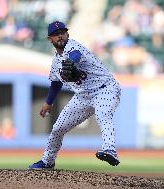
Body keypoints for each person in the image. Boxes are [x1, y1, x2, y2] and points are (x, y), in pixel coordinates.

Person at [28, 21, 121, 170]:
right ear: (49, 39)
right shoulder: (56, 62)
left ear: (67, 34)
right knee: (58, 128)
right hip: (83, 96)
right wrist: (48, 102)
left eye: (62, 32)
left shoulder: (73, 46)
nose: (60, 36)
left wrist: (70, 62)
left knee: (103, 114)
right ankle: (47, 161)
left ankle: (110, 149)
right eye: (56, 34)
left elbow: (75, 55)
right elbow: (56, 83)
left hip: (105, 89)